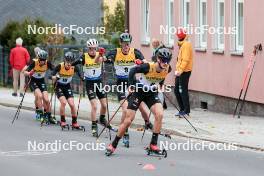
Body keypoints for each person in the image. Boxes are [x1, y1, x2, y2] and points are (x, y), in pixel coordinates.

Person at [105, 48, 172, 156]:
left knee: (159, 114)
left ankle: (153, 145)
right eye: (163, 60)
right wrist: (131, 85)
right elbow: (132, 71)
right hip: (139, 92)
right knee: (128, 120)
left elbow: (162, 77)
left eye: (168, 60)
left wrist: (160, 86)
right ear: (158, 59)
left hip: (151, 93)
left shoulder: (168, 68)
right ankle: (113, 144)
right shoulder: (147, 67)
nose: (166, 63)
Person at [103, 32, 153, 147]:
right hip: (121, 84)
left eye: (128, 44)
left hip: (133, 83)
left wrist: (141, 63)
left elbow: (146, 64)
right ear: (120, 43)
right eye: (124, 44)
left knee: (142, 109)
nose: (126, 46)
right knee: (126, 110)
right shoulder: (115, 52)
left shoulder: (135, 52)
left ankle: (147, 123)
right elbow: (105, 59)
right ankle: (125, 133)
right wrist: (102, 57)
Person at [72, 39, 113, 137]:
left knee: (104, 105)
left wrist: (107, 59)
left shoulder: (100, 55)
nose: (93, 51)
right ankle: (94, 126)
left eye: (94, 49)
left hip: (98, 82)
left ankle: (102, 119)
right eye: (91, 49)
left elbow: (104, 60)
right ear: (88, 48)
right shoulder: (84, 57)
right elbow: (74, 63)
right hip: (90, 83)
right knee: (94, 105)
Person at [23, 50, 56, 124]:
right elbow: (24, 72)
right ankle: (41, 114)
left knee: (47, 99)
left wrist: (56, 76)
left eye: (44, 60)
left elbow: (55, 70)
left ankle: (49, 116)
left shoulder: (47, 63)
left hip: (41, 81)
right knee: (39, 96)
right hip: (33, 81)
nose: (42, 62)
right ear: (38, 59)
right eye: (41, 60)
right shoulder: (34, 63)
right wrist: (29, 73)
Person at [52, 52, 84, 128]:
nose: (69, 64)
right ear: (65, 60)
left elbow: (80, 74)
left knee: (72, 104)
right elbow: (51, 75)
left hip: (67, 86)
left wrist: (82, 78)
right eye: (68, 62)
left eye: (71, 62)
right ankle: (63, 121)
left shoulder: (74, 67)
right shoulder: (60, 66)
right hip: (58, 86)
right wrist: (55, 77)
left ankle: (74, 123)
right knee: (63, 102)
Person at [174, 28, 193, 117]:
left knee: (182, 90)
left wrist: (180, 71)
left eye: (179, 37)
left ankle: (186, 110)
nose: (178, 38)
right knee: (177, 90)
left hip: (184, 71)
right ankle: (182, 109)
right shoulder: (182, 44)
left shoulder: (186, 45)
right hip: (180, 71)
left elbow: (185, 60)